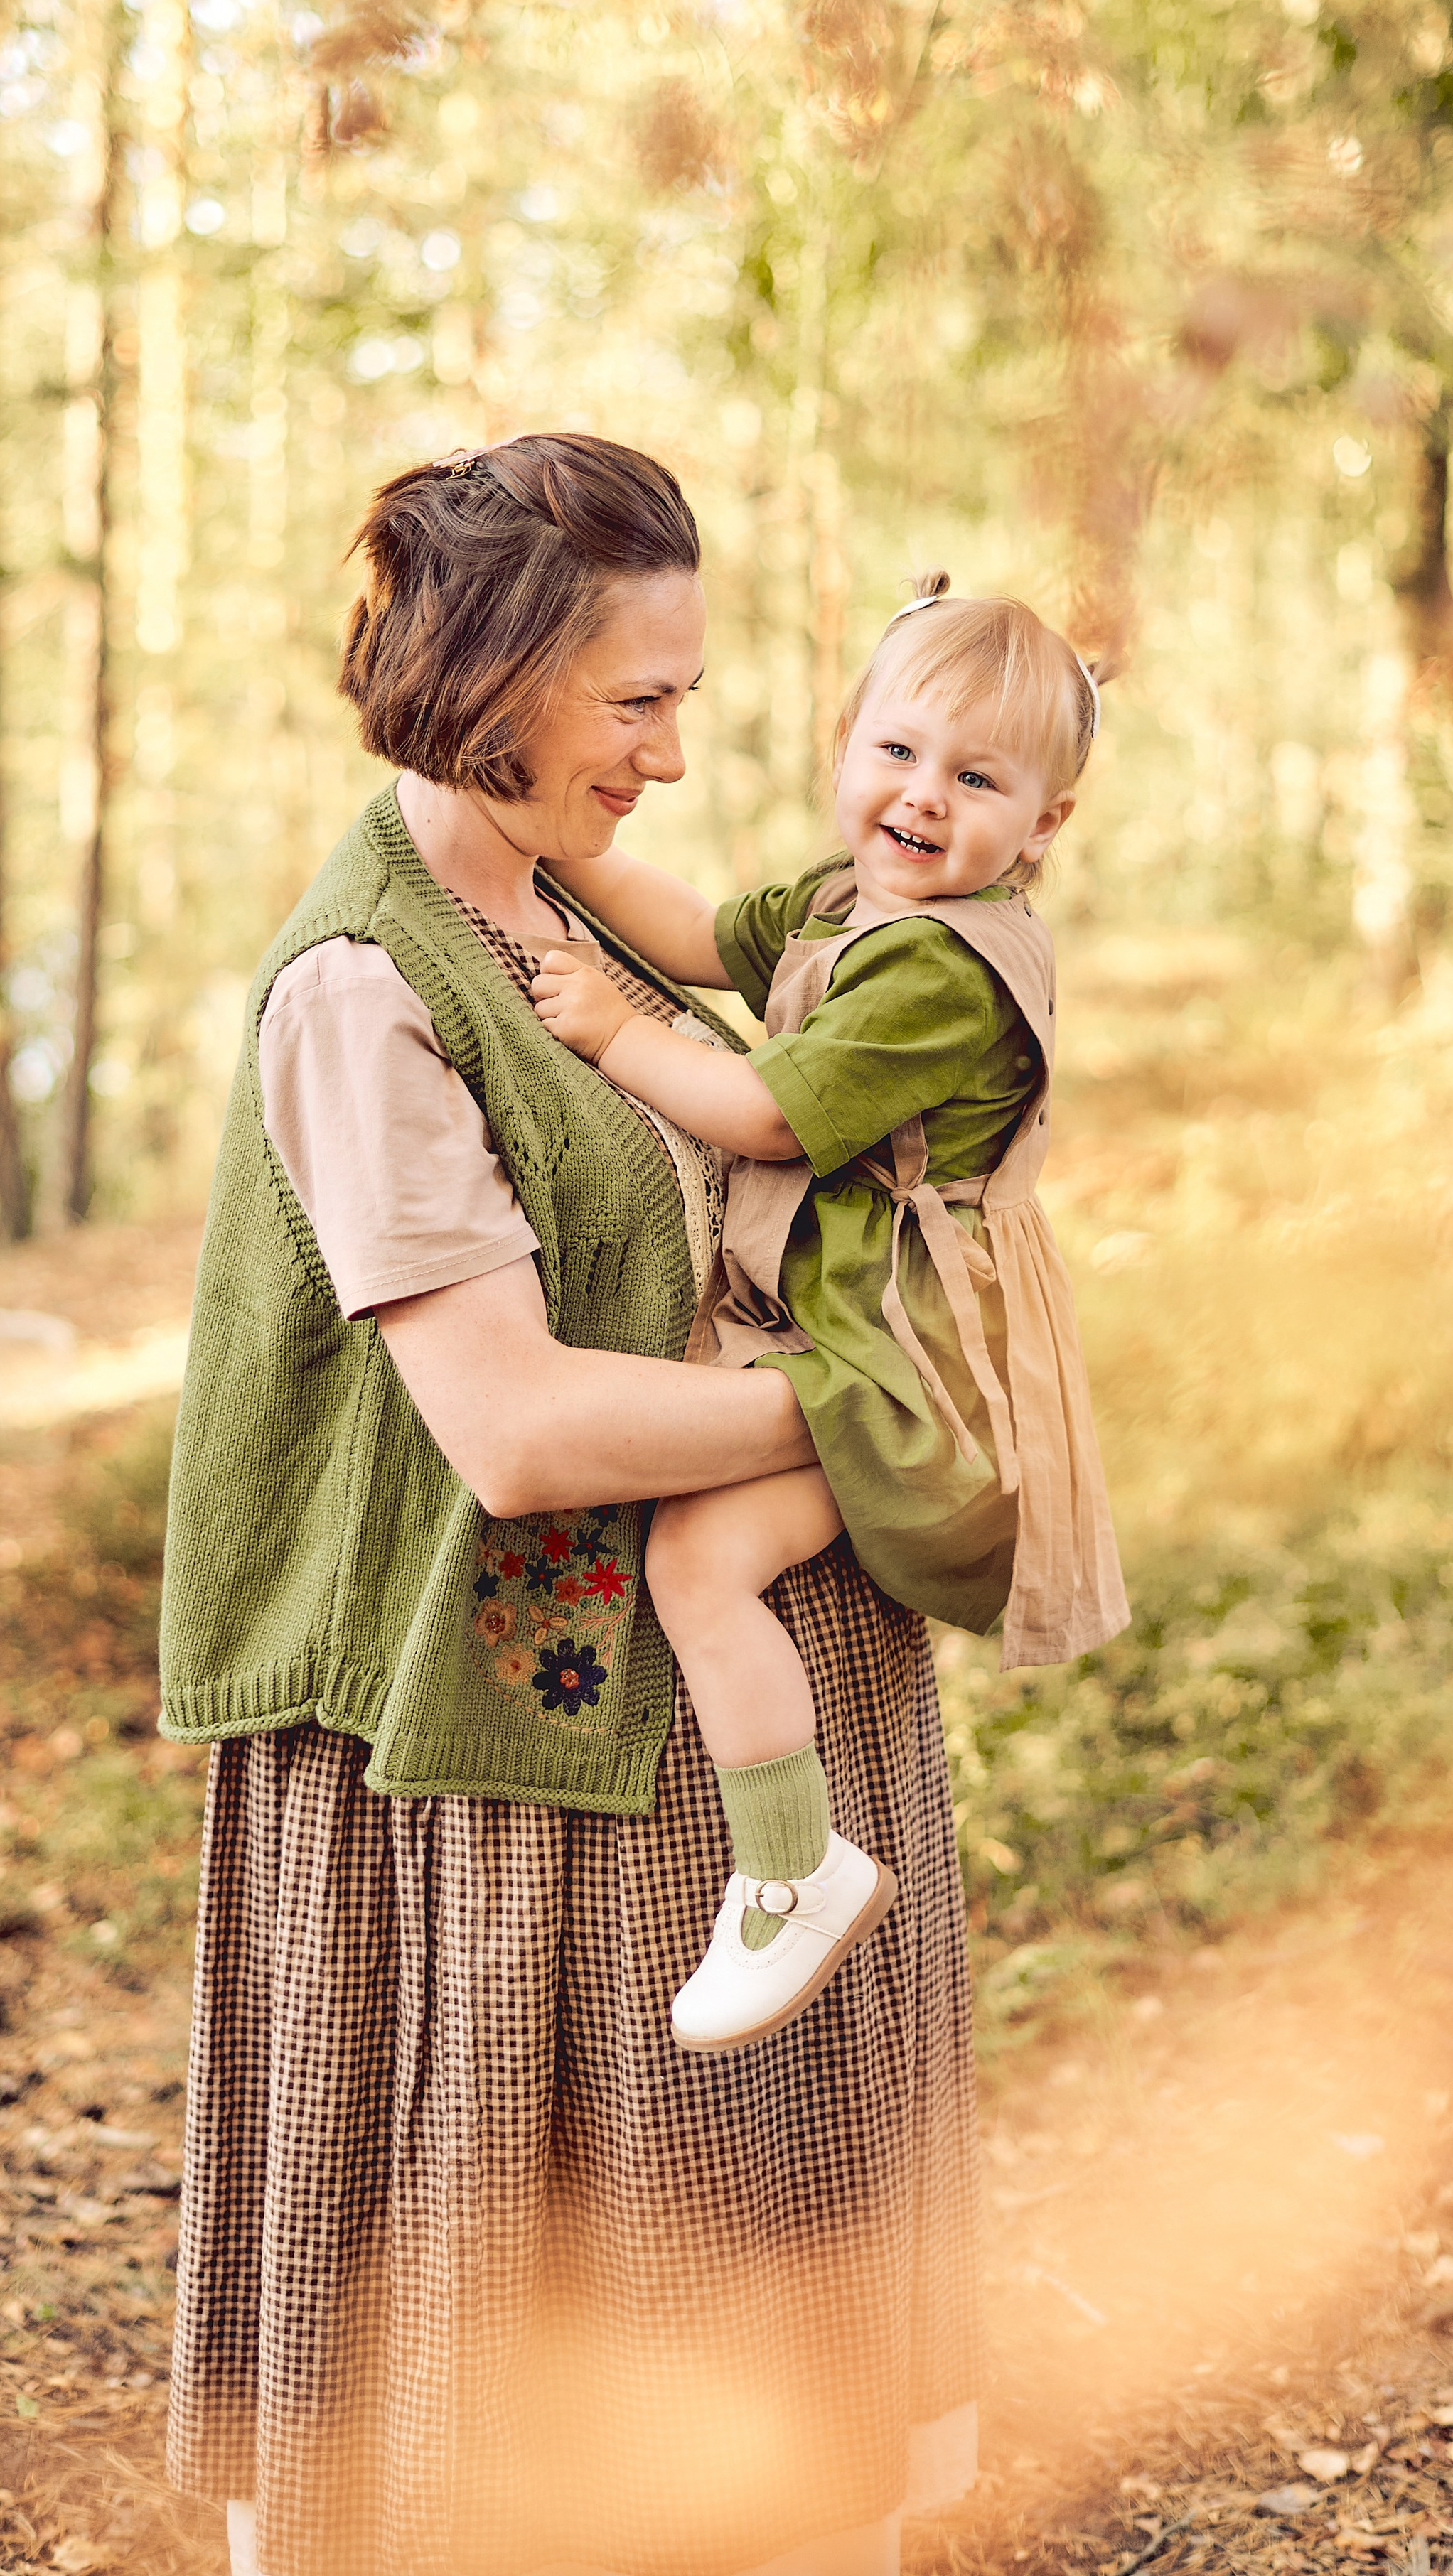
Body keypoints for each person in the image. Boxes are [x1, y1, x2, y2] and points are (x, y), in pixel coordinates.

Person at [159, 439, 982, 2576]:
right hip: (514, 1765)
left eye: (689, 699)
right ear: (503, 673)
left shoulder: (554, 893)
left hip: (711, 1734)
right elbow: (513, 1433)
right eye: (639, 702)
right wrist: (859, 1416)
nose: (680, 756)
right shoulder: (369, 991)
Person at [529, 574, 1129, 2058]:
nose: (923, 800)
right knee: (690, 1546)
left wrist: (609, 1032)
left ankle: (788, 1871)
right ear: (843, 741)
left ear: (1039, 826)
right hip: (841, 1333)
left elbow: (760, 1113)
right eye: (898, 752)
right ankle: (790, 1860)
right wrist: (555, 847)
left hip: (896, 1356)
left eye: (977, 779)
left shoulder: (938, 964)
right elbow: (689, 930)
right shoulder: (846, 904)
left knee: (696, 1560)